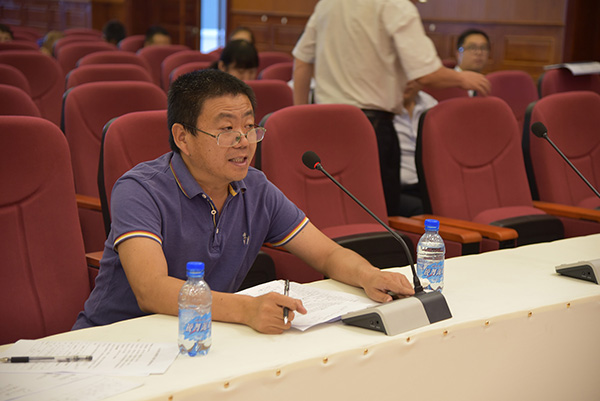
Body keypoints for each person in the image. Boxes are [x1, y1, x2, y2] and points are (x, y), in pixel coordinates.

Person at [72, 69, 414, 334]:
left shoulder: (256, 188)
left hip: (203, 338)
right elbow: (151, 290)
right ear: (183, 138)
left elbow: (327, 254)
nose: (244, 141)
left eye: (250, 127)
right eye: (226, 130)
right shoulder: (139, 190)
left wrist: (369, 275)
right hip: (115, 342)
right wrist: (246, 309)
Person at [292, 0, 490, 216]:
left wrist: (301, 116)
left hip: (324, 129)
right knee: (379, 218)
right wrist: (462, 78)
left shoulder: (327, 4)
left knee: (334, 215)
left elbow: (301, 62)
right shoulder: (395, 5)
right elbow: (426, 74)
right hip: (370, 130)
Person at [394, 81, 437, 217]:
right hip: (398, 190)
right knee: (423, 210)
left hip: (430, 186)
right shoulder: (380, 110)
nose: (407, 82)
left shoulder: (430, 104)